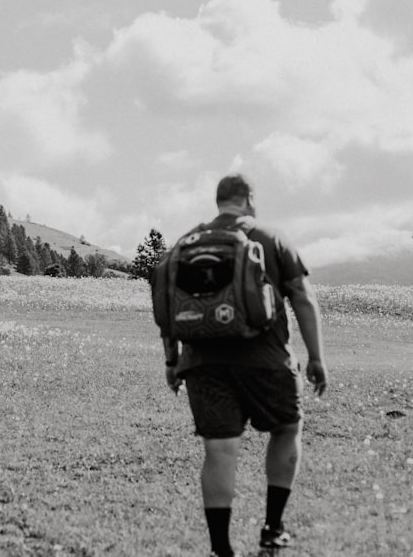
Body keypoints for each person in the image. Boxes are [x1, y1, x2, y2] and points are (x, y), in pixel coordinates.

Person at [159, 173, 328, 557]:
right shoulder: (271, 237)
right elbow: (301, 296)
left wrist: (172, 360)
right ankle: (272, 527)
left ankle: (221, 550)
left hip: (202, 362)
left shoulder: (186, 242)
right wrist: (316, 357)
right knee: (287, 427)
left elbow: (167, 303)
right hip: (266, 359)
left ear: (218, 201)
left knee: (219, 450)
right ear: (249, 200)